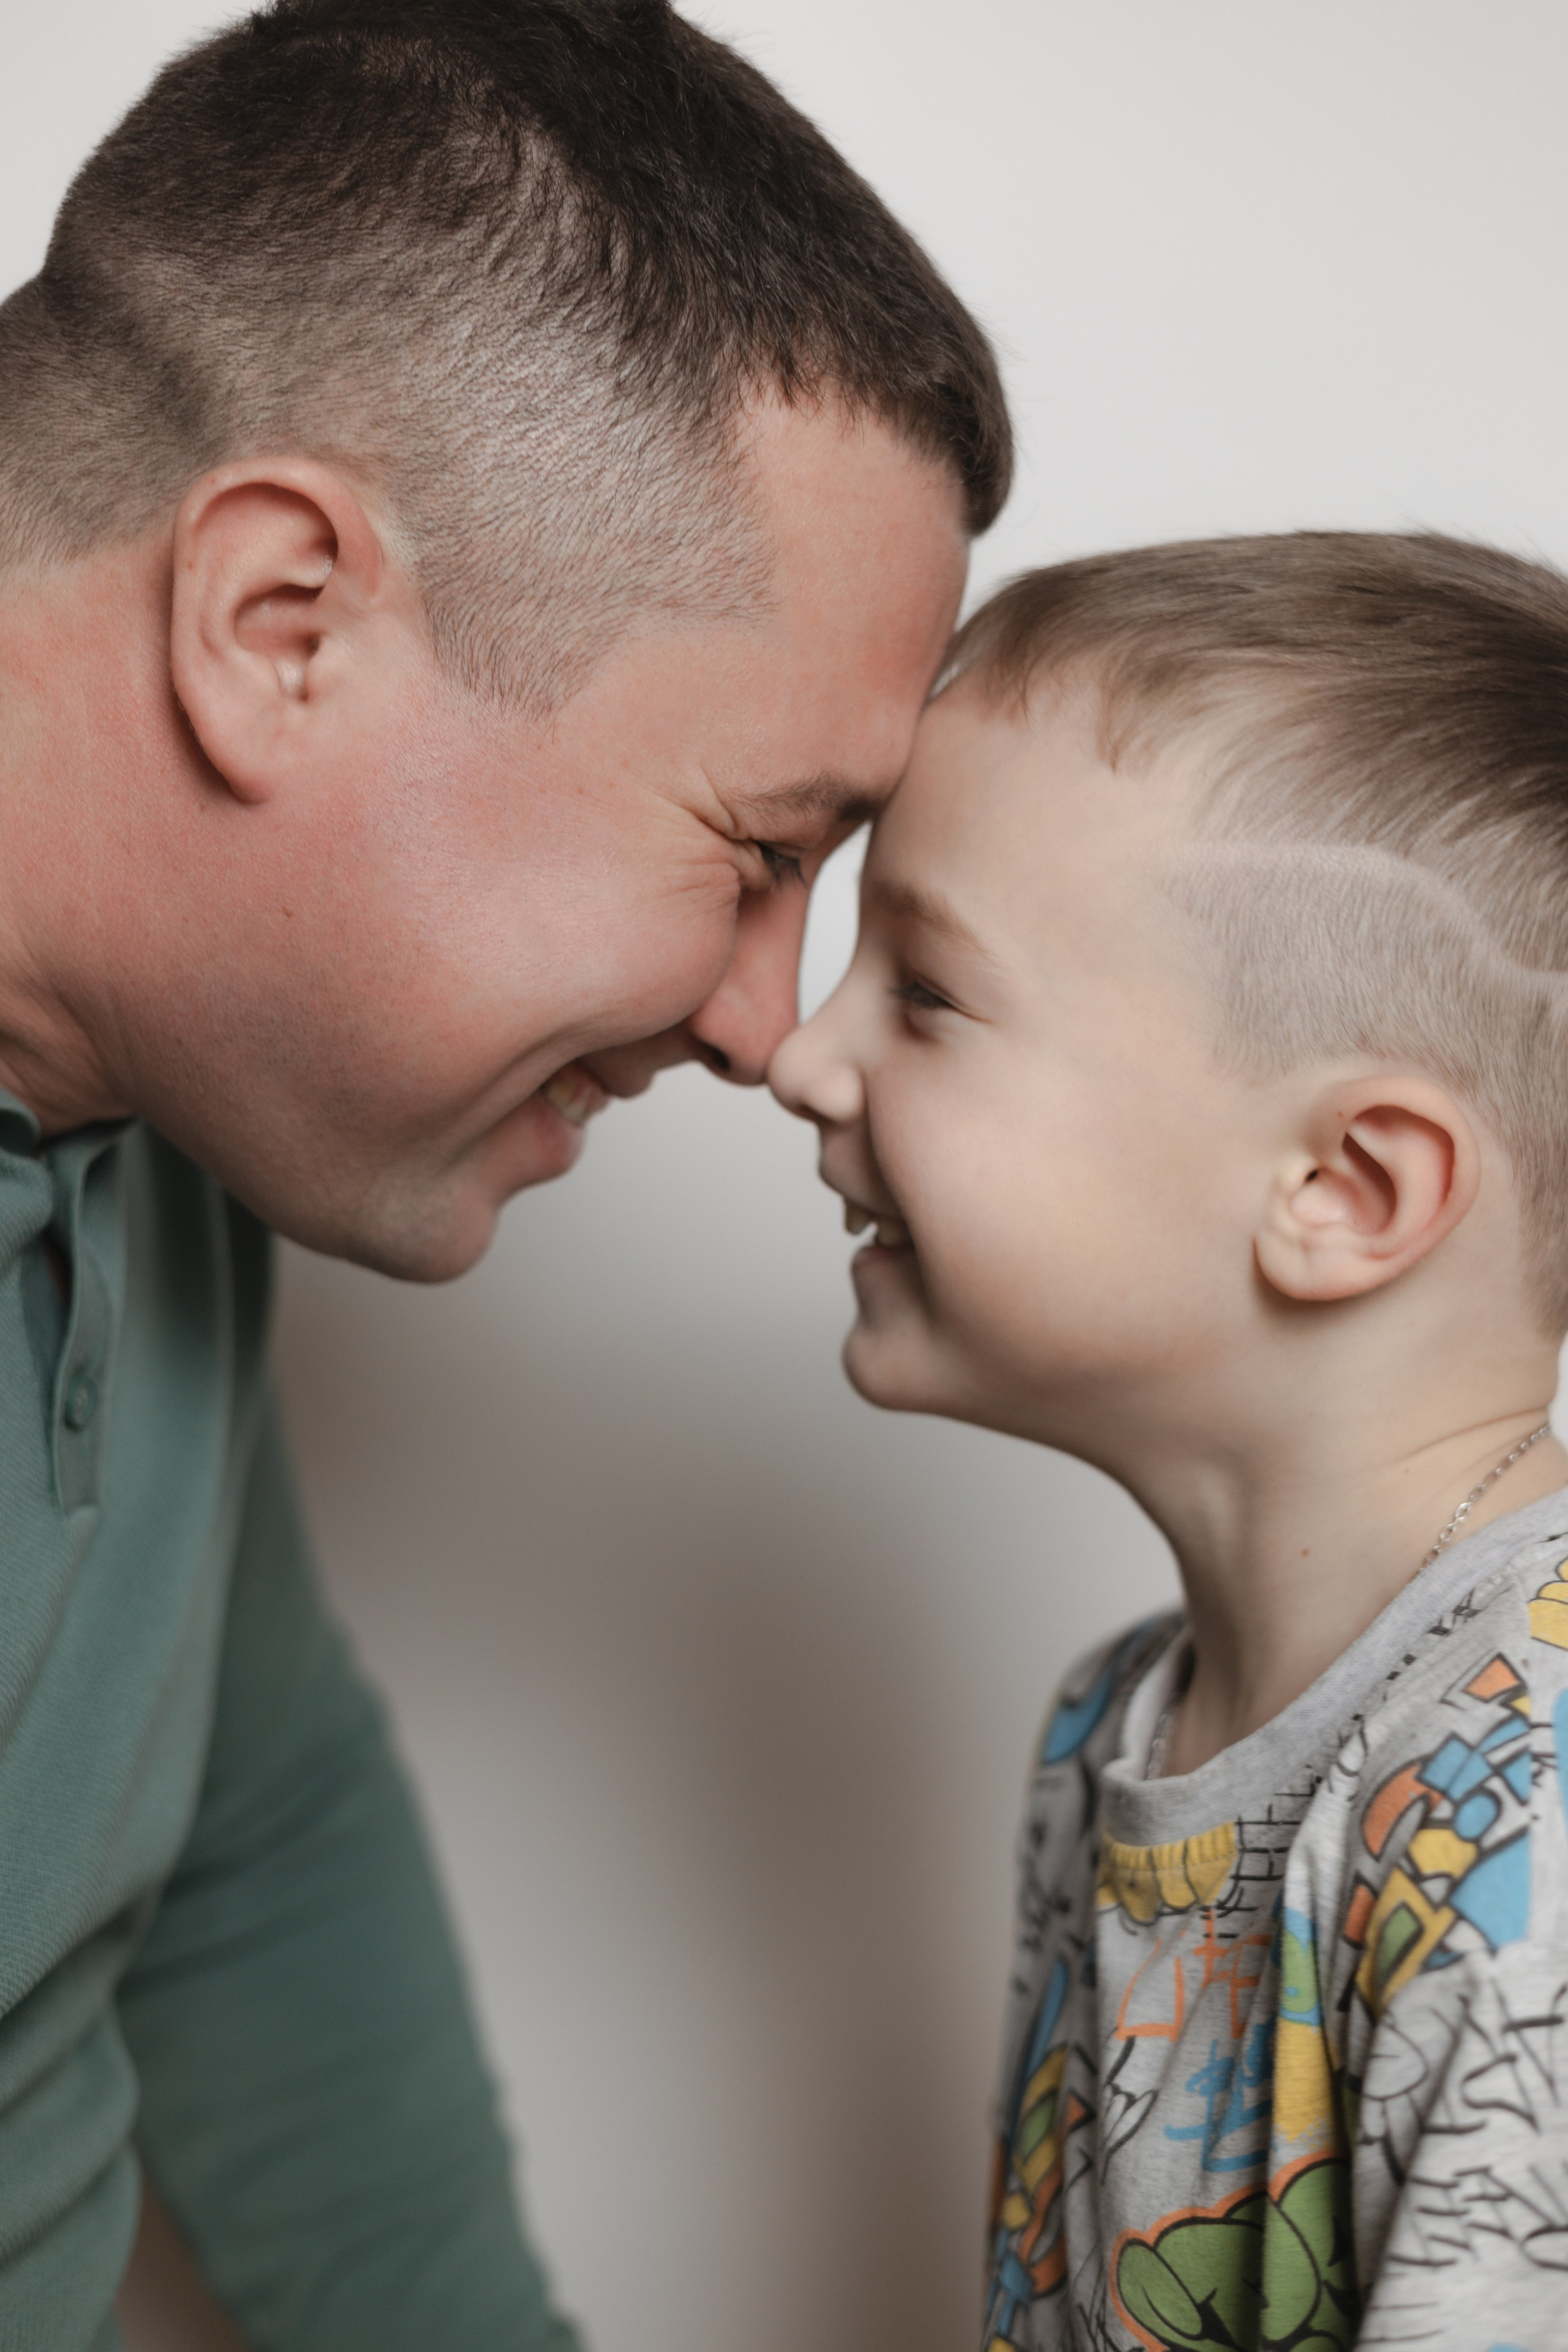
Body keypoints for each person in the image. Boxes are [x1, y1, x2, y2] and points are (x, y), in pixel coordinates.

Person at [0, 0, 1011, 2342]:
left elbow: (243, 1837)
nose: (767, 1025)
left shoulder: (165, 1121)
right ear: (282, 627)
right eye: (758, 850)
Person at [771, 530, 1568, 2352]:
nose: (800, 1058)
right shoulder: (1114, 1724)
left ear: (1346, 1188)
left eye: (928, 991)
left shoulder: (1534, 1815)